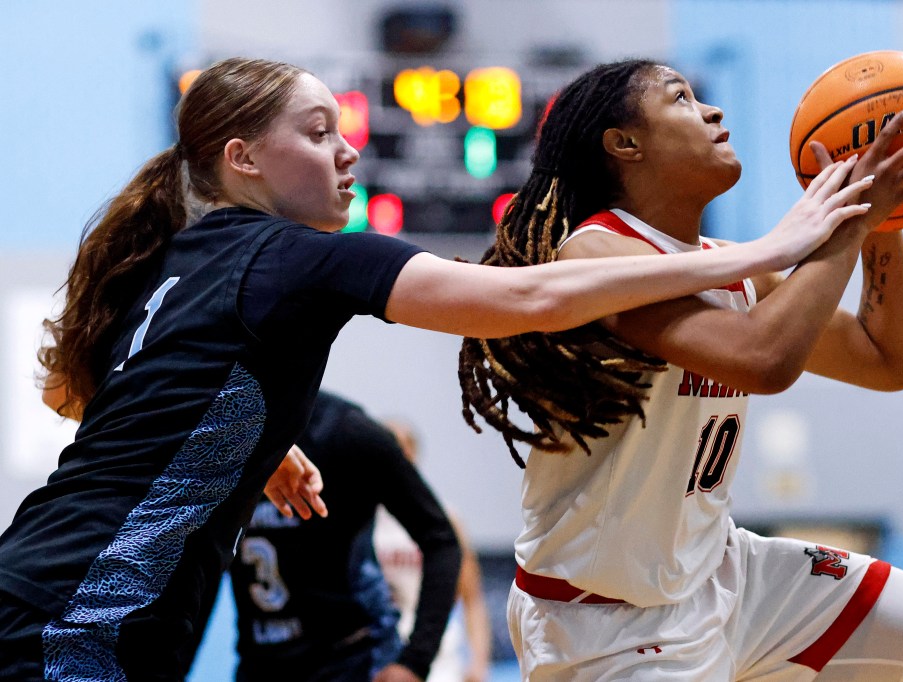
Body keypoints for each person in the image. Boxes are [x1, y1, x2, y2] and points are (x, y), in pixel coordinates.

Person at [0, 55, 856, 681]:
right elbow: (531, 298)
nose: (346, 153)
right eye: (317, 133)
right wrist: (767, 250)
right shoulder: (295, 256)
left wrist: (257, 442)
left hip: (39, 586)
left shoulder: (169, 262)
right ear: (243, 159)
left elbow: (82, 392)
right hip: (81, 621)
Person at [458, 59, 903, 680]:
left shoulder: (729, 265)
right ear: (625, 144)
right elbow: (762, 360)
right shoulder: (596, 254)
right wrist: (854, 219)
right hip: (605, 622)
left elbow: (888, 361)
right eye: (680, 97)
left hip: (731, 574)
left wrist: (879, 215)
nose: (713, 110)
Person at [228, 390, 461, 682]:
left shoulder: (349, 432)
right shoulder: (223, 433)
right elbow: (200, 564)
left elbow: (441, 538)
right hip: (259, 664)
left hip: (351, 659)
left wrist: (415, 662)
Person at [374, 419, 492, 682]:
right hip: (379, 650)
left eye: (401, 447)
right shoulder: (363, 516)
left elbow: (472, 597)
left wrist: (479, 662)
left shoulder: (444, 518)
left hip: (435, 652)